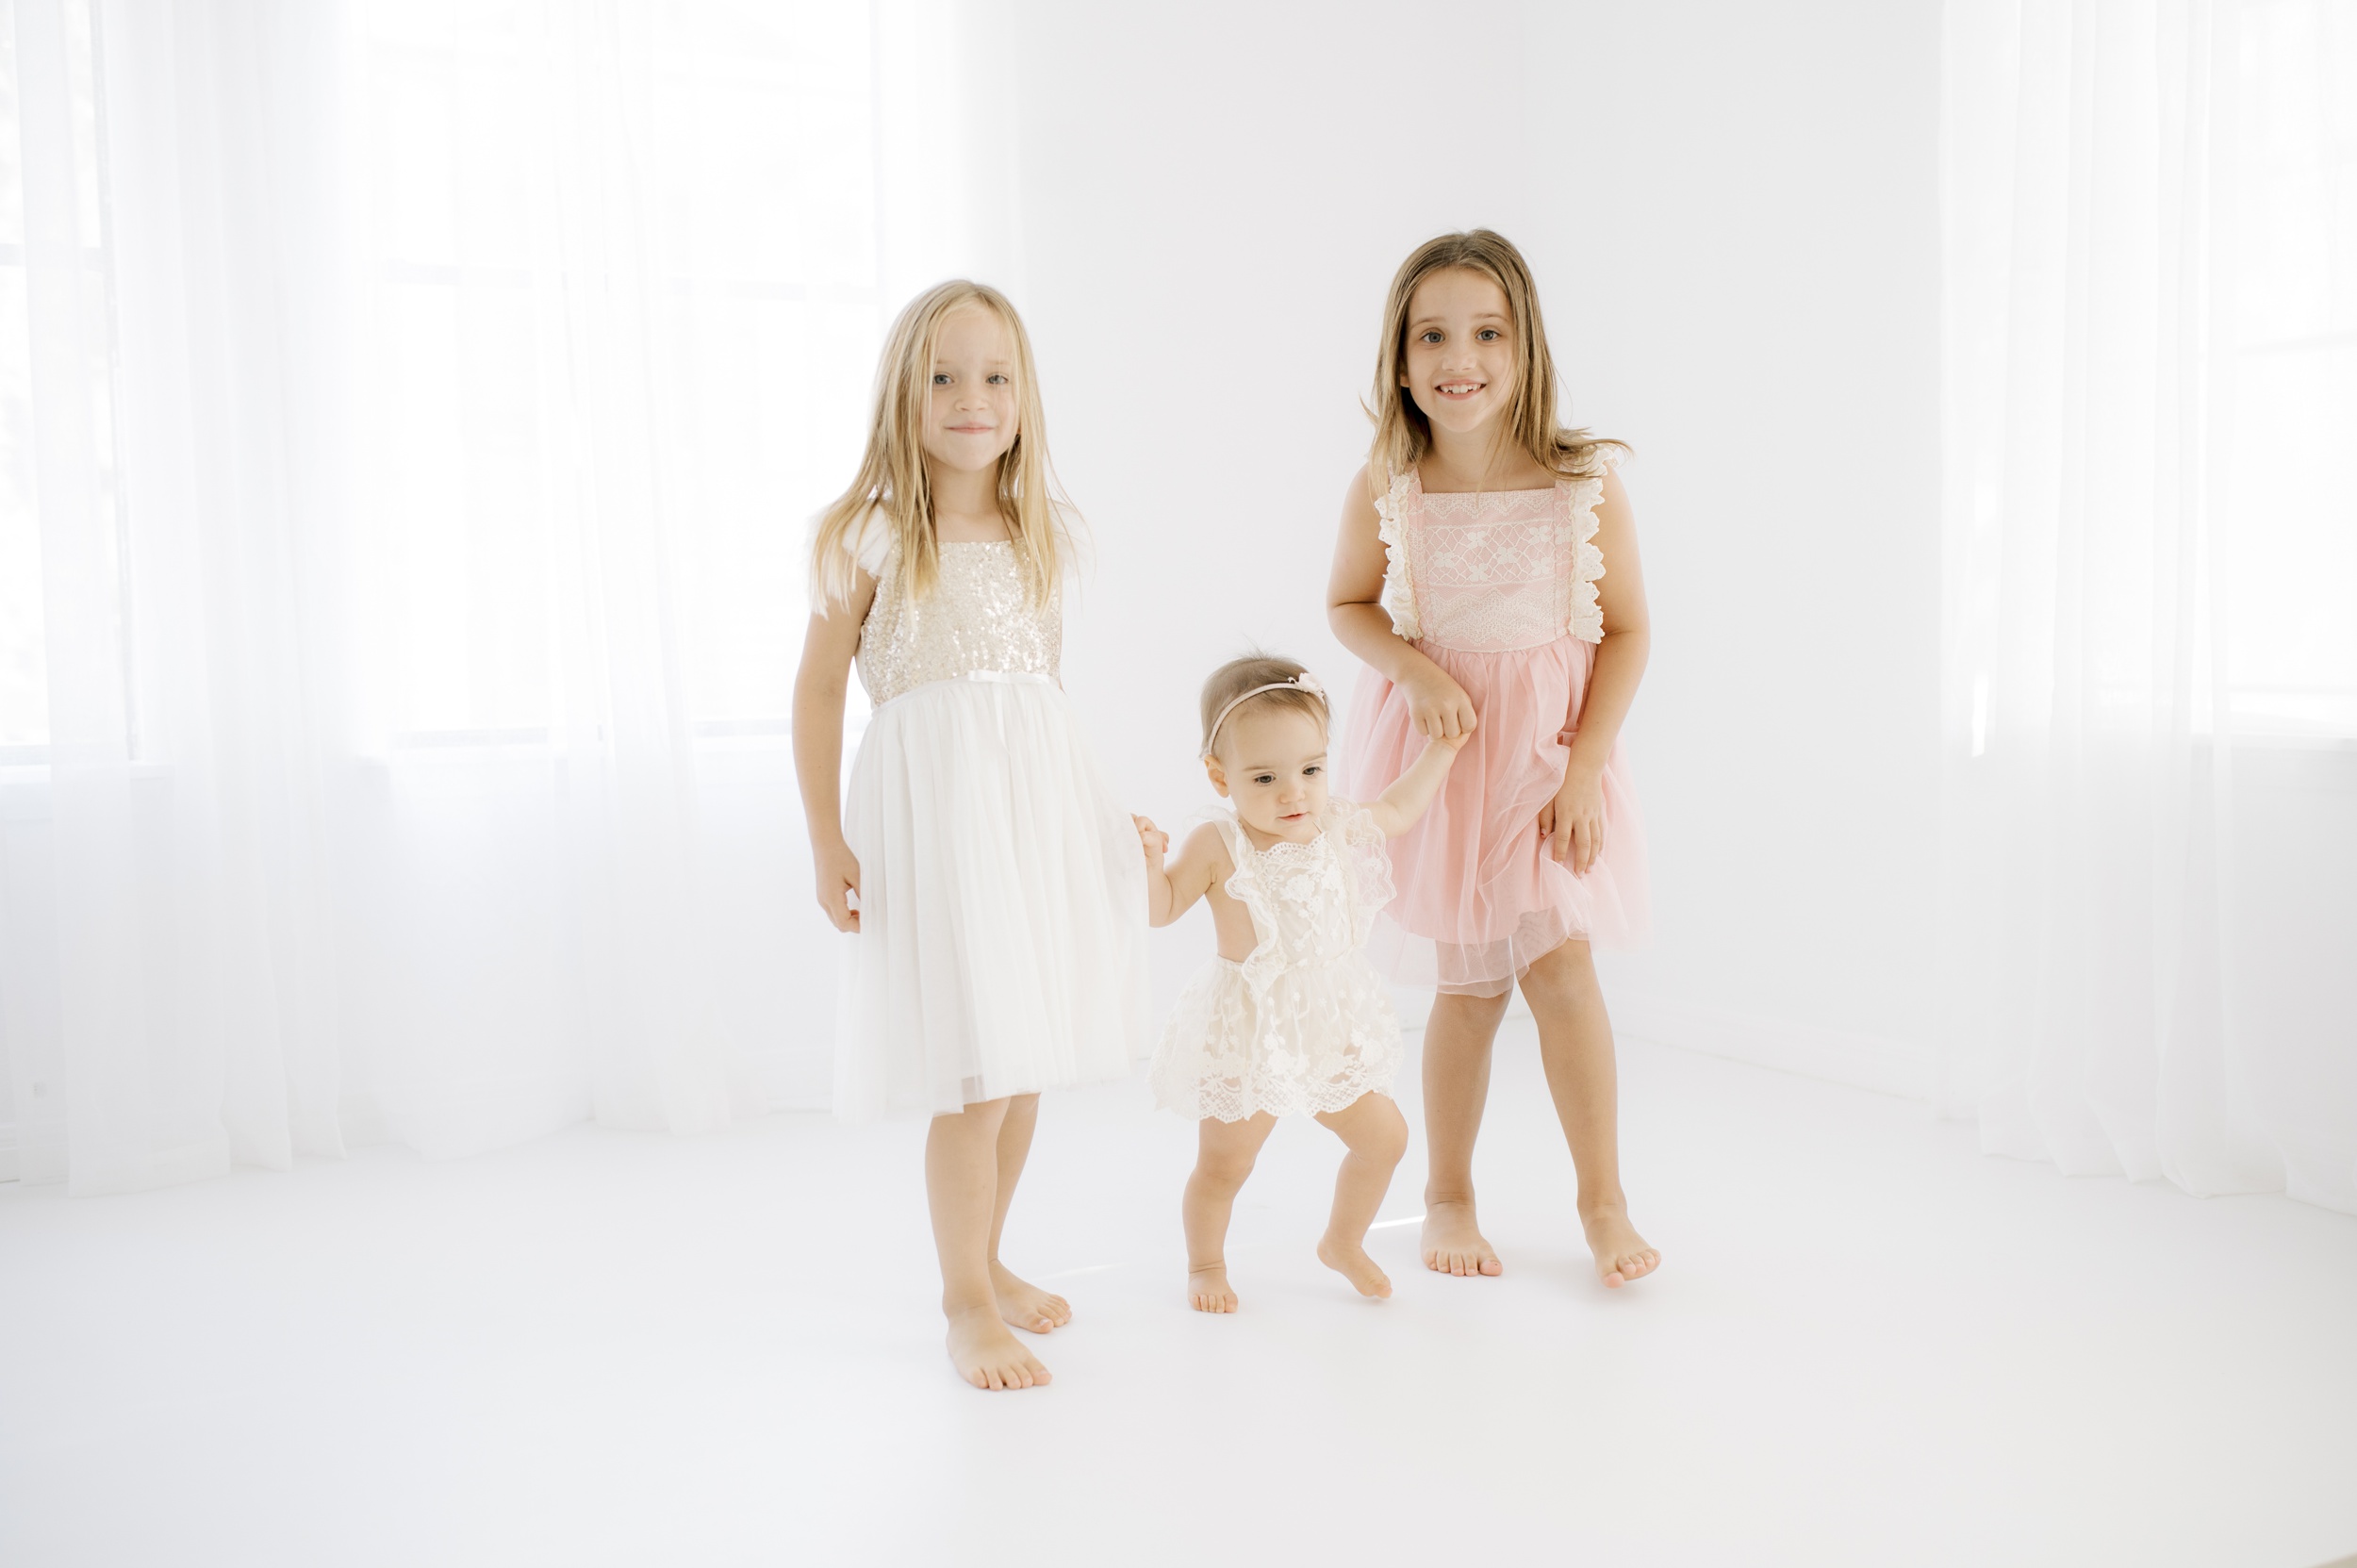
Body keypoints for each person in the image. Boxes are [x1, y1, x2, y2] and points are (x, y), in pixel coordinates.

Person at [793, 280, 1149, 1390]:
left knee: (1025, 1060)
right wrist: (825, 841)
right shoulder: (873, 536)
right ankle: (961, 1301)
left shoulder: (1039, 532)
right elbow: (814, 697)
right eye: (943, 375)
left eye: (994, 375)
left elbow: (1036, 707)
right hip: (938, 831)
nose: (969, 397)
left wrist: (1093, 833)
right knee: (976, 1078)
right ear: (905, 393)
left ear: (1023, 395)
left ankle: (986, 1260)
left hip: (1026, 828)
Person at [1328, 230, 1659, 1289]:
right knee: (1468, 991)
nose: (1455, 358)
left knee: (1562, 972)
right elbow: (1347, 604)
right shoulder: (1391, 485)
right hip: (1444, 764)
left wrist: (1586, 765)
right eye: (1431, 335)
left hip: (1547, 762)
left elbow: (1628, 630)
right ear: (1399, 355)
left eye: (1484, 332)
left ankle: (1601, 1200)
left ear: (1523, 351)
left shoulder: (1580, 483)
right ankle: (1447, 1192)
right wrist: (1413, 671)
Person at [1137, 654, 1461, 1312]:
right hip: (1251, 1028)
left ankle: (1342, 1240)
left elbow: (1398, 809)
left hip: (1326, 1022)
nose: (1295, 793)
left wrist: (1444, 748)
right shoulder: (1218, 841)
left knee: (1386, 1138)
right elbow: (1162, 907)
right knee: (1227, 1163)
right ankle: (1205, 1263)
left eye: (1311, 769)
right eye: (1266, 777)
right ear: (1219, 775)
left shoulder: (1333, 821)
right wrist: (1148, 861)